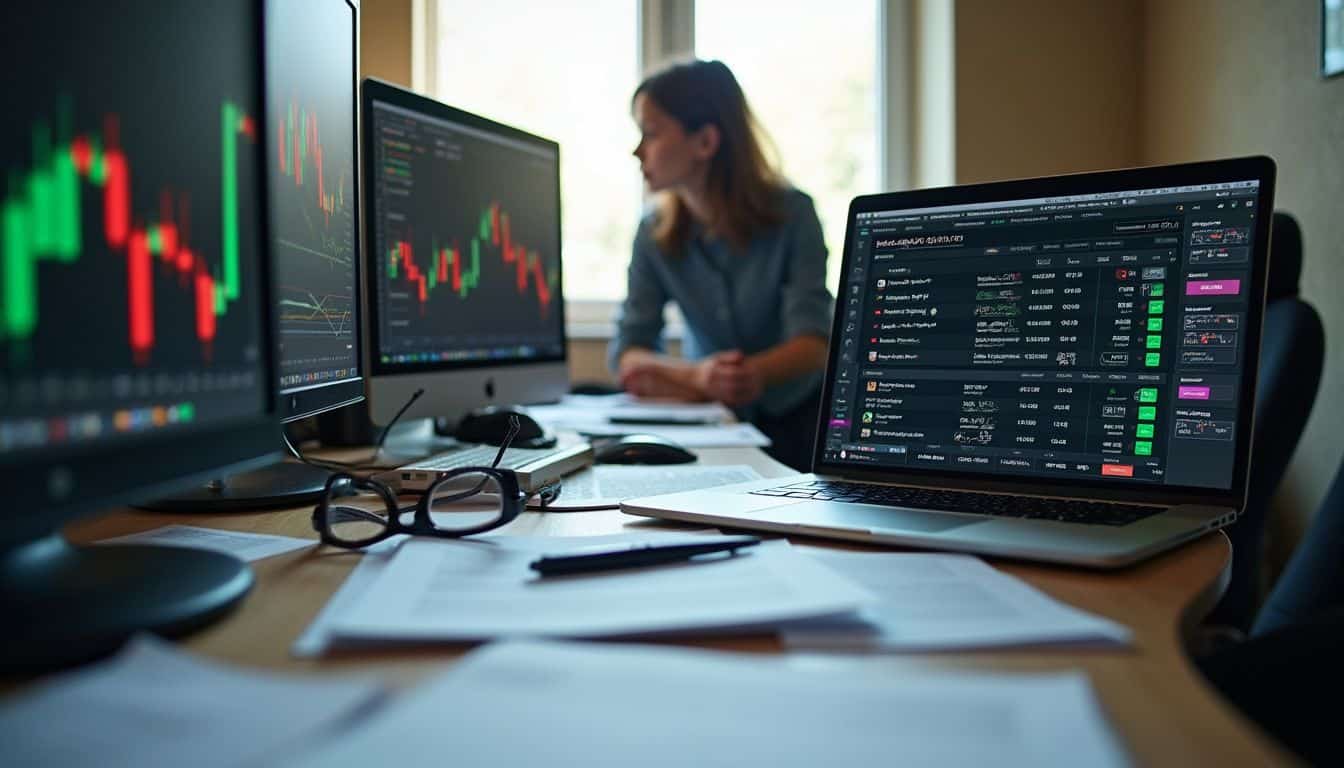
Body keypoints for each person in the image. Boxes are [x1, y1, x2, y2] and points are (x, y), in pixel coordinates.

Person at [608, 59, 834, 471]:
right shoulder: (653, 232)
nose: (637, 150)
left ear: (706, 142)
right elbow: (627, 353)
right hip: (712, 424)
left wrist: (751, 374)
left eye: (650, 133)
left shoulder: (794, 215)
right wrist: (697, 377)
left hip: (803, 423)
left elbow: (814, 343)